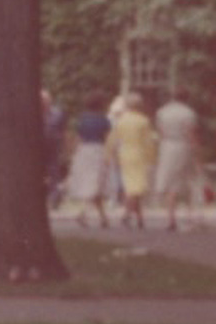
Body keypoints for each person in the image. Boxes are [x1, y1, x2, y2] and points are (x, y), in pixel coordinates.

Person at [107, 91, 158, 231]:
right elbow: (148, 141)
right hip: (139, 154)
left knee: (132, 187)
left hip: (125, 154)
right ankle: (126, 214)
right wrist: (153, 157)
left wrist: (109, 155)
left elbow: (112, 139)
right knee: (136, 188)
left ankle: (139, 218)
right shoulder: (143, 121)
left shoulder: (121, 121)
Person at [152, 92, 203, 232]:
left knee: (169, 183)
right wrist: (197, 153)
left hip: (167, 146)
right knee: (186, 181)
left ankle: (171, 217)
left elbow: (160, 131)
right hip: (183, 146)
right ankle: (190, 215)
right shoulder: (188, 113)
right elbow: (191, 133)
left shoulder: (162, 112)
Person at [64, 101, 111, 228]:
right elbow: (108, 138)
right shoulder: (103, 119)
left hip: (83, 150)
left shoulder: (81, 119)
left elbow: (77, 137)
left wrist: (73, 153)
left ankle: (103, 218)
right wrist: (109, 154)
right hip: (98, 150)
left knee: (93, 184)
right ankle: (83, 213)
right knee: (95, 184)